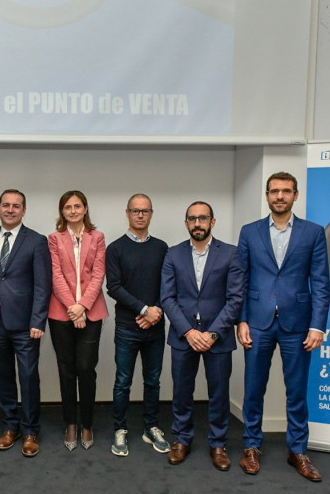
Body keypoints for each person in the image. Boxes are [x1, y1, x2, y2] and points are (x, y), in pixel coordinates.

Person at [236, 171, 330, 482]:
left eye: (286, 191)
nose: (279, 196)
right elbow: (242, 279)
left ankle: (298, 450)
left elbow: (320, 282)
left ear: (295, 195)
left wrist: (318, 326)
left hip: (299, 325)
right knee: (253, 389)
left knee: (297, 391)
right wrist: (242, 319)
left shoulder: (313, 233)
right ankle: (251, 446)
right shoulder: (249, 232)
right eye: (274, 191)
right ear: (266, 195)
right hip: (258, 323)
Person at [160, 201, 243, 470]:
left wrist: (213, 333)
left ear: (212, 222)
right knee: (182, 391)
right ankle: (182, 439)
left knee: (219, 393)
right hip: (183, 337)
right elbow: (167, 298)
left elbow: (235, 299)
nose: (197, 223)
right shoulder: (173, 254)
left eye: (203, 218)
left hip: (217, 338)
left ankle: (218, 444)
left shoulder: (230, 254)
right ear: (186, 223)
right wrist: (188, 331)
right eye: (192, 219)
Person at [0, 189, 52, 457]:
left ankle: (31, 430)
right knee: (4, 377)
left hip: (25, 325)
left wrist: (38, 320)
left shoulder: (36, 241)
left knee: (29, 377)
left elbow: (43, 285)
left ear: (24, 210)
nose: (11, 210)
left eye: (16, 206)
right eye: (6, 205)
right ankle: (11, 426)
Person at [105, 194, 171, 457]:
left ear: (151, 214)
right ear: (128, 213)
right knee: (123, 382)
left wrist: (156, 311)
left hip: (155, 326)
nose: (140, 215)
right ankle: (120, 429)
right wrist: (144, 310)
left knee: (153, 381)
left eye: (145, 211)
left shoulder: (162, 248)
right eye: (135, 211)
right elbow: (114, 287)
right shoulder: (116, 248)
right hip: (127, 326)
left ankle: (151, 427)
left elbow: (168, 285)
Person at [47, 190, 108, 450]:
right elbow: (56, 275)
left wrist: (82, 307)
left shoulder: (98, 237)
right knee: (66, 369)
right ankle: (71, 423)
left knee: (86, 368)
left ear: (85, 209)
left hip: (92, 312)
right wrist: (72, 308)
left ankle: (87, 423)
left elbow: (98, 274)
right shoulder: (54, 239)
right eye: (67, 207)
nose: (72, 211)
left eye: (77, 206)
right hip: (61, 313)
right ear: (62, 211)